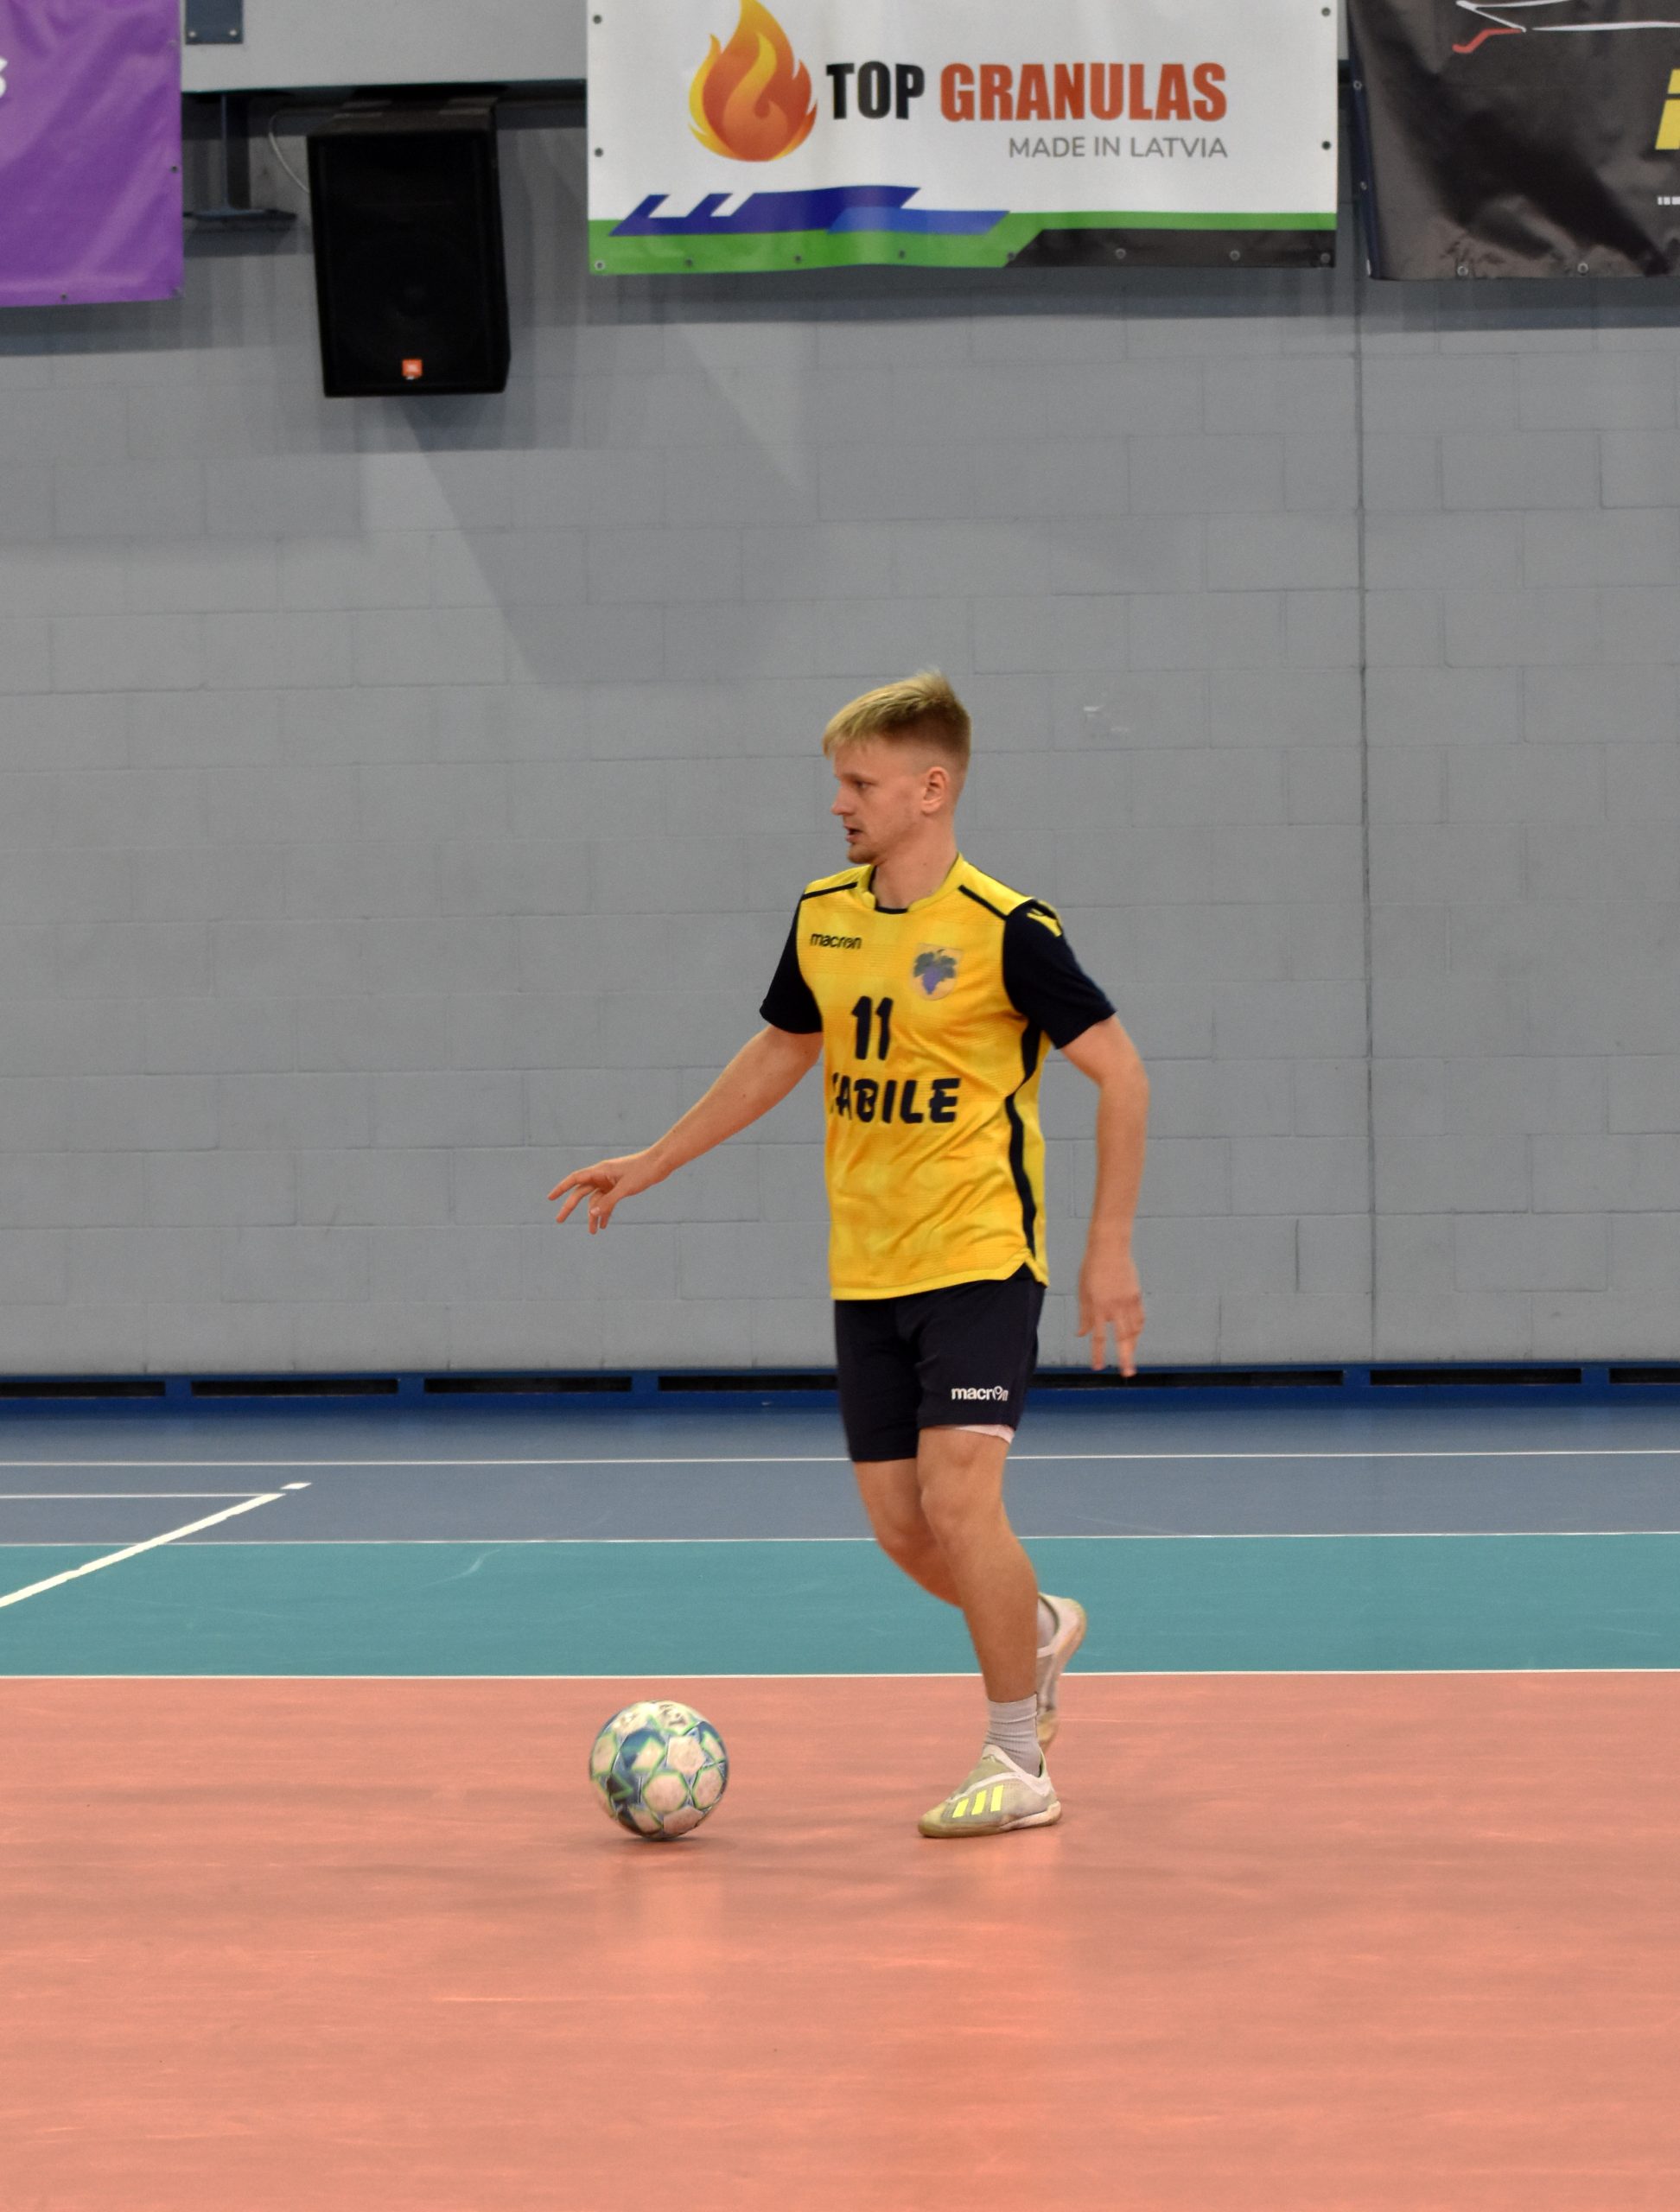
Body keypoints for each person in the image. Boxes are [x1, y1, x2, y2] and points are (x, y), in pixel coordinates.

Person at [550, 672, 1149, 1838]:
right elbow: (783, 1050)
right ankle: (1033, 1631)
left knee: (959, 1499)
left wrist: (1109, 1247)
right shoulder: (824, 914)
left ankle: (1018, 1759)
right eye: (838, 783)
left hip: (979, 1254)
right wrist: (656, 1159)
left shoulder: (1007, 931)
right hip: (868, 1266)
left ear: (932, 789)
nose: (839, 803)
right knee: (900, 1526)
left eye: (860, 784)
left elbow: (1121, 1073)